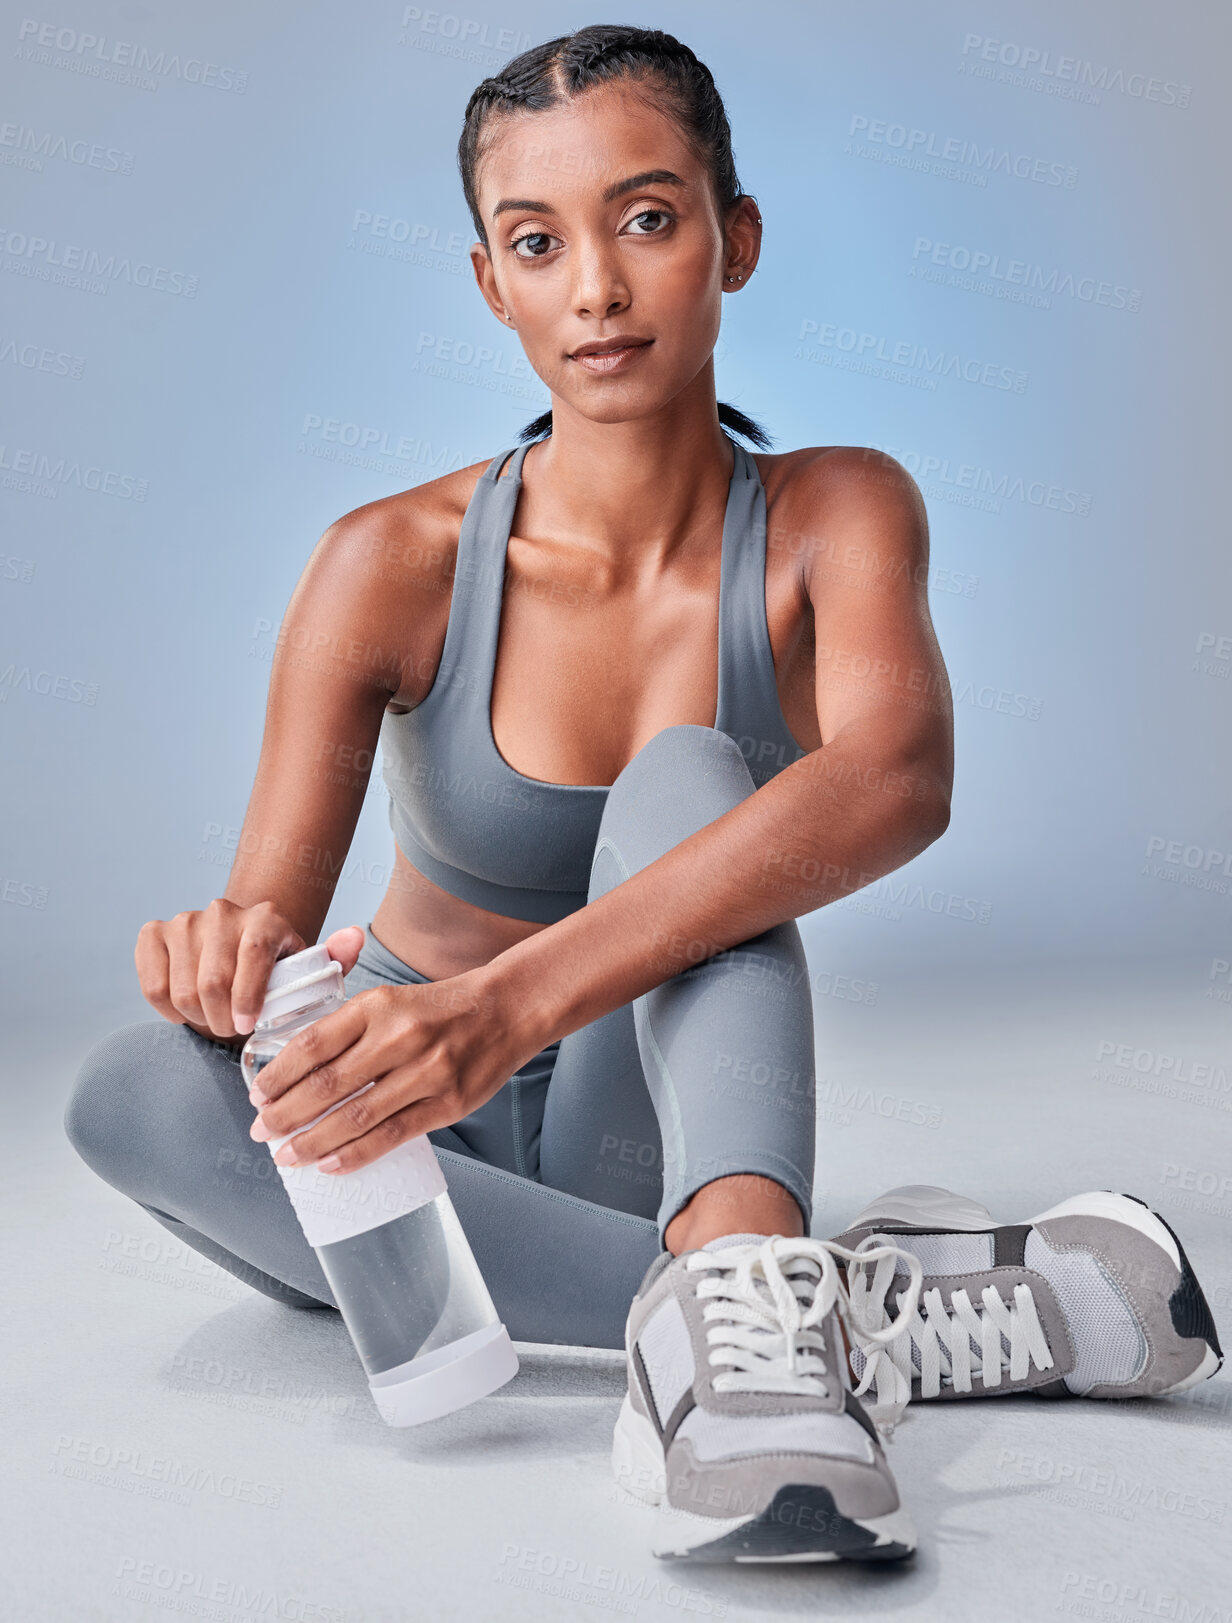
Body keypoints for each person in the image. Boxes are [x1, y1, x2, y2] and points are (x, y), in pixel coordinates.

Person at [64, 23, 1221, 1566]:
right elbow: (268, 929)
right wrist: (219, 964)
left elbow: (898, 776)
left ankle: (743, 1328)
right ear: (493, 283)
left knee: (690, 777)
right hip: (422, 1124)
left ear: (733, 241)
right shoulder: (389, 562)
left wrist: (513, 1011)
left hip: (649, 1100)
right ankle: (795, 1308)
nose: (595, 290)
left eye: (648, 220)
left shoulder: (836, 510)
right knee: (132, 1097)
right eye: (537, 244)